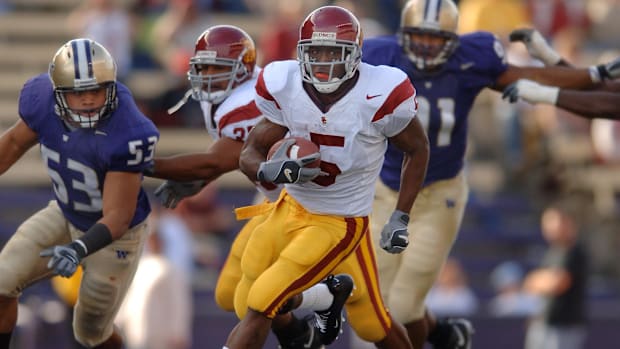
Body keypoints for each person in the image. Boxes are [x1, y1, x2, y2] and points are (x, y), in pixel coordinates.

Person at [360, 1, 614, 348]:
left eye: (437, 39)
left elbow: (601, 99)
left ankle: (435, 334)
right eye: (420, 37)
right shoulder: (380, 56)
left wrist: (564, 81)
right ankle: (442, 334)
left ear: (453, 40)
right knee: (370, 299)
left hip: (439, 190)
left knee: (404, 304)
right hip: (386, 186)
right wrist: (569, 68)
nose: (427, 47)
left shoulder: (470, 58)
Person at [228, 5, 429, 349]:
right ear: (301, 52)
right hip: (291, 206)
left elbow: (418, 148)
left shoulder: (379, 93)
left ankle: (316, 309)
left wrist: (401, 215)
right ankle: (323, 301)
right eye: (315, 51)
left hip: (340, 219)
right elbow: (250, 150)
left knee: (264, 298)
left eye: (334, 52)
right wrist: (267, 171)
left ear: (355, 55)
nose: (323, 61)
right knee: (243, 296)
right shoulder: (286, 85)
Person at [145, 24, 351, 348]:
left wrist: (139, 163)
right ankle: (312, 310)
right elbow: (229, 156)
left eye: (217, 68)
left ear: (242, 69)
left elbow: (215, 161)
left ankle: (305, 321)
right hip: (273, 199)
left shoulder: (247, 101)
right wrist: (198, 180)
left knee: (253, 300)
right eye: (203, 68)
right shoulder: (223, 99)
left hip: (308, 204)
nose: (208, 76)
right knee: (228, 295)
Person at [0, 38, 159, 349]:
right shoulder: (41, 101)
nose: (88, 100)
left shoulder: (128, 130)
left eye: (96, 90)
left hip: (115, 237)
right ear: (58, 93)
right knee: (1, 284)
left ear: (111, 87)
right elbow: (13, 145)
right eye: (77, 93)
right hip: (65, 211)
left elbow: (117, 216)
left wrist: (77, 249)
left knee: (90, 334)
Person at [523, 203, 589, 349]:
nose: (548, 228)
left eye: (552, 222)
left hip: (564, 326)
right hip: (543, 324)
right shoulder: (552, 252)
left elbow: (559, 283)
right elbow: (530, 283)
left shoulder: (575, 252)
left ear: (566, 222)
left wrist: (542, 280)